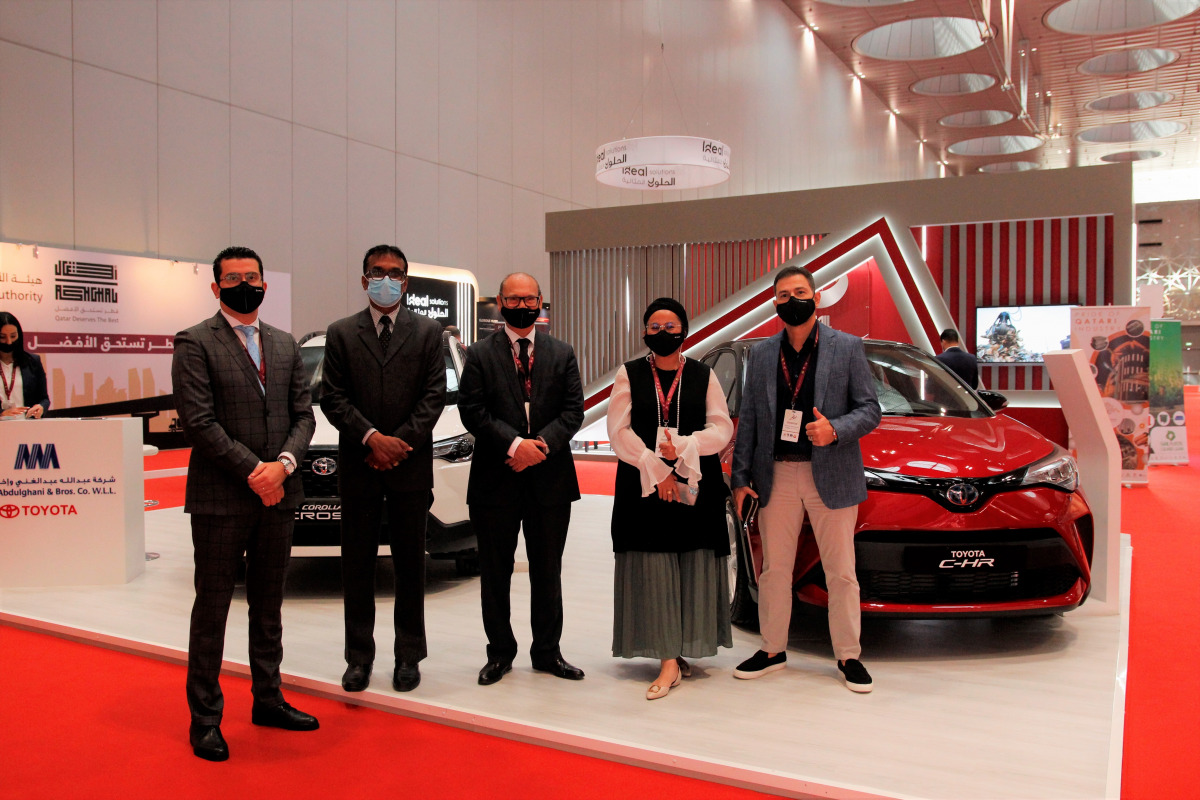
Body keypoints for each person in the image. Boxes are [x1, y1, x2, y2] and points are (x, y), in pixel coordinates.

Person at [172, 246, 318, 762]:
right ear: (215, 288)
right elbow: (198, 420)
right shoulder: (194, 342)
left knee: (269, 604)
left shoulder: (283, 344)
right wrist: (255, 472)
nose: (243, 284)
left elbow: (305, 415)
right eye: (232, 278)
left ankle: (268, 699)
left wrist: (283, 464)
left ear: (264, 283)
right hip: (222, 497)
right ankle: (206, 718)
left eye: (251, 277)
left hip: (278, 493)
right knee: (212, 608)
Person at [730, 265, 881, 693]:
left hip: (830, 473)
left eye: (799, 292)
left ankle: (849, 655)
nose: (791, 300)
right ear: (774, 303)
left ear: (816, 298)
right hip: (775, 474)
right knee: (774, 569)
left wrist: (835, 429)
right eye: (782, 295)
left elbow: (870, 409)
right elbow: (751, 422)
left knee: (841, 572)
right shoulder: (760, 355)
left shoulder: (847, 347)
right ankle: (773, 649)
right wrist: (740, 479)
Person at [319, 244, 446, 694]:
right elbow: (332, 397)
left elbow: (433, 397)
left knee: (411, 565)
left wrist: (398, 444)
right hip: (359, 464)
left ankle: (409, 655)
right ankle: (359, 657)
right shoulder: (340, 333)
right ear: (363, 279)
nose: (386, 279)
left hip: (410, 467)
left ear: (406, 282)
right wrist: (372, 438)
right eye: (378, 272)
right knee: (357, 565)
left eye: (395, 273)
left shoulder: (430, 333)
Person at [457, 272, 585, 686]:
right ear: (500, 302)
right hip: (497, 478)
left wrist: (539, 447)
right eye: (514, 299)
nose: (522, 305)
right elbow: (472, 411)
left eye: (529, 299)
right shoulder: (478, 354)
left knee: (548, 570)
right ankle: (499, 653)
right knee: (495, 572)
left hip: (550, 481)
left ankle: (548, 652)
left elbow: (573, 412)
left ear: (541, 301)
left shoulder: (562, 352)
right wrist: (515, 446)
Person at [606, 298, 734, 700]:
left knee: (692, 560)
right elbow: (618, 431)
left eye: (671, 325)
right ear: (645, 333)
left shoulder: (703, 374)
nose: (663, 333)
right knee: (654, 565)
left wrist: (686, 448)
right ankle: (666, 659)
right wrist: (656, 467)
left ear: (685, 330)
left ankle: (680, 651)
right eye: (655, 327)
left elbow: (721, 426)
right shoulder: (629, 375)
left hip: (695, 482)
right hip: (643, 484)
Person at [0, 312, 49, 419]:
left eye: (13, 336)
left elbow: (44, 399)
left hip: (26, 427)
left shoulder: (33, 361)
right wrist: (1, 413)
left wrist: (41, 407)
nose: (9, 342)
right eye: (2, 337)